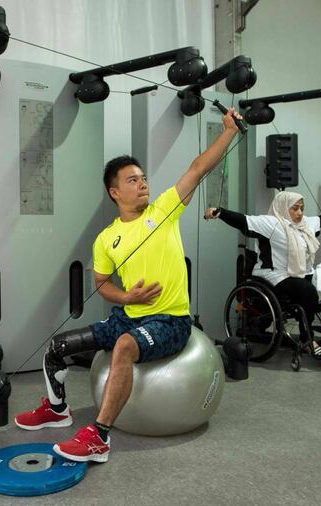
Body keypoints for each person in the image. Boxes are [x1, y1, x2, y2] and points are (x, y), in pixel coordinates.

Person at [14, 107, 243, 462]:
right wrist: (126, 296)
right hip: (128, 315)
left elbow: (198, 169)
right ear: (115, 192)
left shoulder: (164, 210)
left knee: (123, 346)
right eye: (133, 180)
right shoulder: (107, 239)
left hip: (170, 320)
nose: (143, 183)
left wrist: (228, 131)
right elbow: (103, 284)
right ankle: (57, 409)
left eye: (144, 177)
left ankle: (99, 438)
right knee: (56, 346)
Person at [204, 191, 321, 358]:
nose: (300, 213)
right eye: (295, 208)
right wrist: (220, 212)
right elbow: (243, 220)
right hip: (274, 275)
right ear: (283, 207)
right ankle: (307, 339)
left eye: (302, 209)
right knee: (307, 291)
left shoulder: (304, 224)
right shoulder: (271, 223)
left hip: (301, 273)